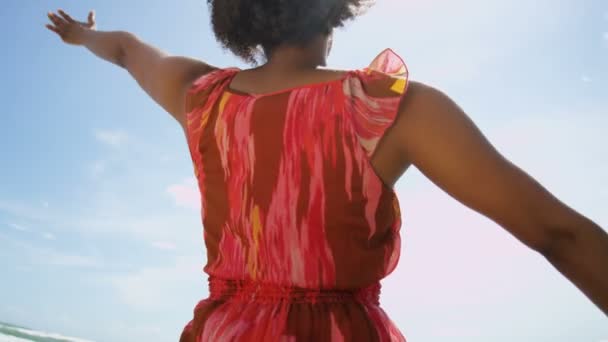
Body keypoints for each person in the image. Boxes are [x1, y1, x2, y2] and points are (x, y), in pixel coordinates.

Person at [45, 2, 608, 341]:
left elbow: (124, 49)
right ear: (333, 8)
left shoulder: (201, 96)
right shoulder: (389, 107)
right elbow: (555, 232)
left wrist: (79, 36)